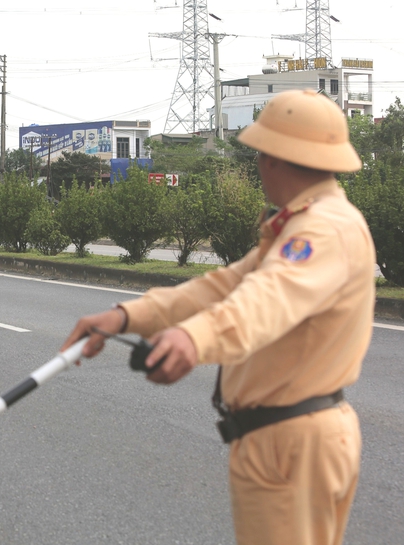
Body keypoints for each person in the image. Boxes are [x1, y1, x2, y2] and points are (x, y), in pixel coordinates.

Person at [61, 89, 374, 545]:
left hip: (289, 444)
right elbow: (222, 288)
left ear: (274, 158)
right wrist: (126, 316)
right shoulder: (306, 222)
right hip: (290, 438)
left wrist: (192, 340)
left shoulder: (324, 230)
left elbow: (264, 300)